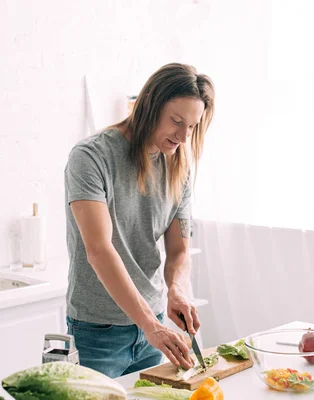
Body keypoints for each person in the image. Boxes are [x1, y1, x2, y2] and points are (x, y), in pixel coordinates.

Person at [64, 63, 215, 378]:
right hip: (98, 332)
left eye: (192, 126)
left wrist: (177, 290)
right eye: (176, 121)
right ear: (149, 106)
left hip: (155, 326)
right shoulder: (91, 157)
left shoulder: (179, 167)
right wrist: (151, 326)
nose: (184, 137)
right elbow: (99, 250)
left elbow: (179, 251)